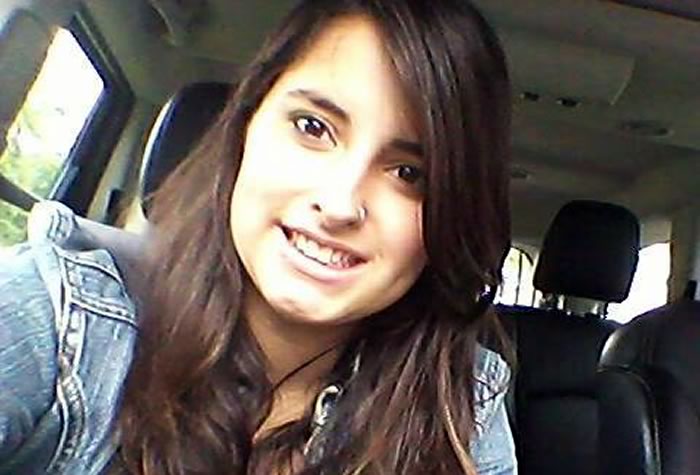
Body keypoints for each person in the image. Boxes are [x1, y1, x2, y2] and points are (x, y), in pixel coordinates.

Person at [0, 0, 516, 473]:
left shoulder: (462, 405)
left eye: (409, 174)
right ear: (245, 126)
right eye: (313, 127)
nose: (340, 204)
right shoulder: (60, 318)